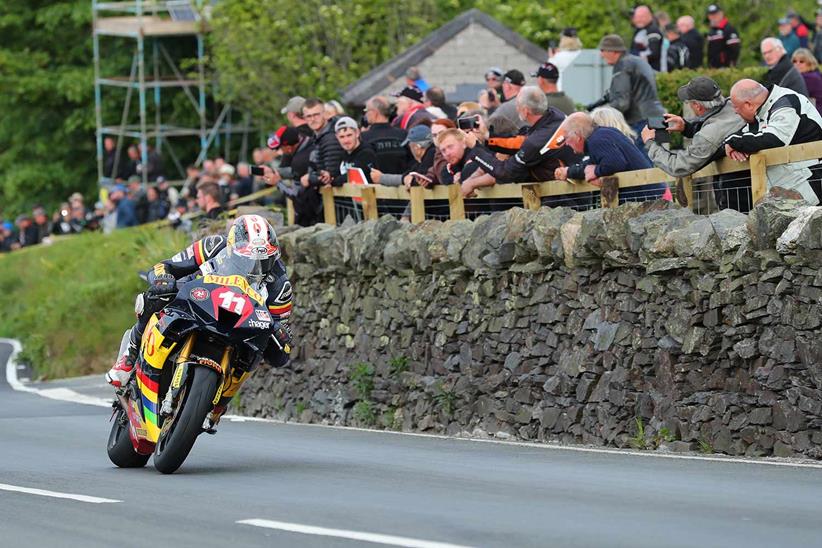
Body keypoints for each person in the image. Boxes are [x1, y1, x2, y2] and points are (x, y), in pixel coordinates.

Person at [105, 214, 293, 429]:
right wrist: (163, 279)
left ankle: (221, 402)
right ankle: (130, 353)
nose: (255, 267)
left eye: (263, 261)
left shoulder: (280, 285)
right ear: (232, 247)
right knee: (156, 295)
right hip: (192, 301)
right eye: (247, 260)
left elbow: (280, 341)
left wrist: (281, 335)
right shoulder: (213, 245)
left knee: (259, 344)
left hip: (237, 327)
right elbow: (165, 266)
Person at [641, 77, 746, 210]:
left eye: (689, 102)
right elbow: (718, 125)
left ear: (697, 106)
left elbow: (678, 166)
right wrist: (687, 127)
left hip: (737, 203)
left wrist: (650, 143)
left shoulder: (709, 135)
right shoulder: (735, 104)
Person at [461, 86, 575, 196]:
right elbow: (521, 142)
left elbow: (505, 172)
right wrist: (487, 136)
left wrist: (475, 149)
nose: (516, 109)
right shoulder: (555, 114)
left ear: (525, 111)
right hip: (567, 187)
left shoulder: (535, 142)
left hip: (562, 196)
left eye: (517, 105)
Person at [725, 80, 822, 204]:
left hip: (809, 185)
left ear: (749, 104)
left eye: (736, 107)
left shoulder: (786, 103)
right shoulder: (761, 112)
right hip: (789, 189)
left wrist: (732, 142)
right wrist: (729, 144)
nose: (736, 112)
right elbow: (740, 138)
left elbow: (774, 139)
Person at [554, 112, 667, 202]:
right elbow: (588, 167)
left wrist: (597, 171)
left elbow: (616, 163)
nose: (566, 143)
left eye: (566, 138)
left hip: (651, 200)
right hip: (653, 195)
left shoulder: (597, 141)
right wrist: (569, 172)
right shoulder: (603, 135)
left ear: (577, 136)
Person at [594, 34, 665, 151]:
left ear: (614, 51)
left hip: (641, 121)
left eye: (603, 50)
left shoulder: (622, 66)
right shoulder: (636, 61)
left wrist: (601, 114)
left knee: (643, 166)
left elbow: (622, 102)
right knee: (661, 162)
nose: (601, 55)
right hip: (658, 118)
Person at [371, 124, 436, 189]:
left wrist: (382, 178)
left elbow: (419, 179)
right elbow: (408, 174)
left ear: (416, 147)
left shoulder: (431, 155)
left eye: (409, 145)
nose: (410, 149)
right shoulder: (428, 156)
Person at [302, 97, 346, 189]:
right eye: (309, 116)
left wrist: (309, 178)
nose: (313, 119)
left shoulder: (331, 137)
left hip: (340, 196)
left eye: (316, 115)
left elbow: (331, 175)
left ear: (325, 114)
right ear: (304, 118)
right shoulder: (319, 136)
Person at [361, 95, 410, 174]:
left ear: (374, 113)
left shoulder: (364, 138)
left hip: (373, 185)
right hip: (402, 183)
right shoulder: (403, 135)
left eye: (366, 110)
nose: (365, 114)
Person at [332, 117, 378, 186]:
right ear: (337, 137)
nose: (346, 140)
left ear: (357, 133)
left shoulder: (367, 153)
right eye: (342, 137)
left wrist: (334, 181)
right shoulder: (342, 155)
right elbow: (334, 175)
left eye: (349, 135)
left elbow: (354, 175)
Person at [488, 69, 527, 136]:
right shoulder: (530, 102)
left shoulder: (507, 107)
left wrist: (484, 107)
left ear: (507, 86)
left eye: (503, 83)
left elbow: (487, 127)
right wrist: (498, 105)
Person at [630, 5, 663, 71]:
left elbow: (654, 53)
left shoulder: (653, 31)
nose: (639, 19)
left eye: (642, 17)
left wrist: (634, 56)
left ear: (650, 16)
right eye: (637, 17)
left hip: (652, 71)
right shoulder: (639, 30)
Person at [792, 48, 822, 113]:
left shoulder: (809, 77)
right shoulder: (816, 73)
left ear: (810, 63)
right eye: (794, 61)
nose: (797, 64)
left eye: (801, 61)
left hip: (816, 113)